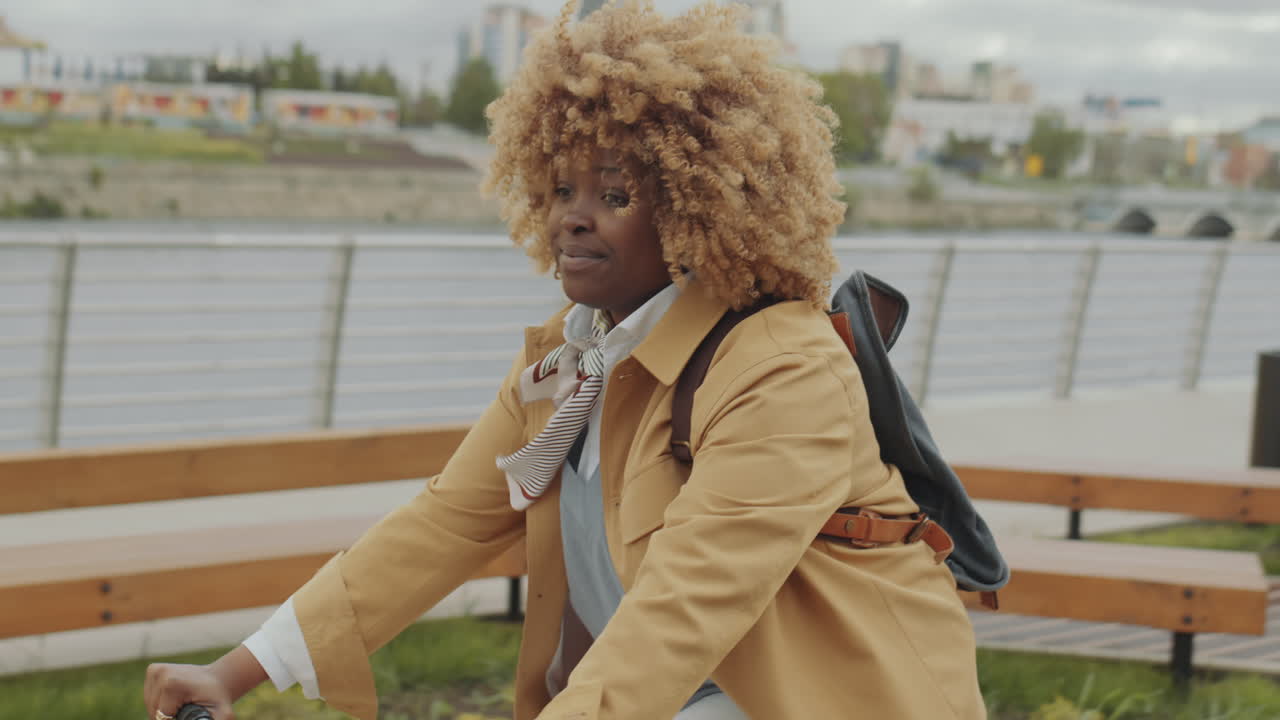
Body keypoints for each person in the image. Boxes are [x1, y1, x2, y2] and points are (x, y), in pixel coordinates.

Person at [144, 2, 987, 718]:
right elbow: (441, 526)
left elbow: (680, 616)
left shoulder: (782, 370)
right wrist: (236, 672)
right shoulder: (573, 359)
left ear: (699, 207)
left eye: (615, 196)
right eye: (560, 190)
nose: (572, 220)